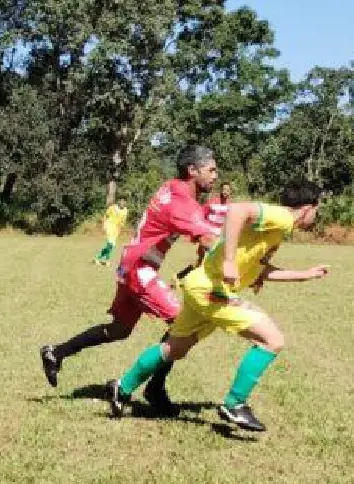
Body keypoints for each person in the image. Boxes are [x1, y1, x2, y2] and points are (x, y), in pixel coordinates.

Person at [108, 180, 330, 432]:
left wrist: (305, 274)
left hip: (201, 286)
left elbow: (260, 269)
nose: (316, 216)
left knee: (174, 348)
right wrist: (230, 261)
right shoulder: (282, 217)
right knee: (273, 339)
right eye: (317, 210)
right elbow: (237, 211)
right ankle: (234, 404)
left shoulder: (278, 229)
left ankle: (121, 387)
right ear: (306, 208)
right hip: (211, 290)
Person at [40, 145, 221, 415]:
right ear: (192, 171)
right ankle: (154, 389)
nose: (215, 176)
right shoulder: (182, 202)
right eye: (211, 170)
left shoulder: (172, 188)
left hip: (130, 264)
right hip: (140, 268)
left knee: (120, 329)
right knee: (183, 324)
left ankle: (57, 352)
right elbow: (210, 239)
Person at [95, 198, 129, 265]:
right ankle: (107, 260)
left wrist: (121, 227)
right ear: (119, 202)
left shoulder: (125, 210)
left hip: (116, 229)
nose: (123, 203)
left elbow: (123, 221)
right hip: (109, 225)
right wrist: (104, 225)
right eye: (121, 201)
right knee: (110, 243)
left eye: (124, 201)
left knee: (111, 245)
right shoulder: (112, 208)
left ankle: (98, 257)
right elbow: (106, 216)